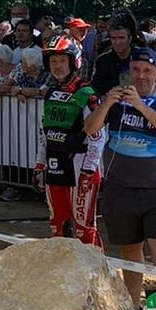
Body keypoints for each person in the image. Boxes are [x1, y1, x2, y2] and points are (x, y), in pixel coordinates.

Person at [84, 44, 156, 307]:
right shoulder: (116, 98)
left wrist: (141, 106)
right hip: (122, 187)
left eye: (147, 70)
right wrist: (107, 103)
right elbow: (90, 127)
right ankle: (132, 308)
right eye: (136, 70)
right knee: (130, 248)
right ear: (129, 70)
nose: (141, 75)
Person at [35, 38, 100, 246]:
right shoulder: (50, 93)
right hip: (55, 163)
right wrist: (39, 164)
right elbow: (44, 133)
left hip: (80, 166)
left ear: (74, 62)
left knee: (84, 227)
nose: (57, 66)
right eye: (53, 61)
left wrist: (88, 171)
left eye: (62, 61)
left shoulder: (87, 93)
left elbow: (98, 137)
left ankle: (95, 275)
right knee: (58, 225)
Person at [91, 12, 137, 94]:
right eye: (113, 38)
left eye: (121, 38)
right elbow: (96, 88)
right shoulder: (102, 61)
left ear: (129, 39)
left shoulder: (141, 58)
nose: (117, 42)